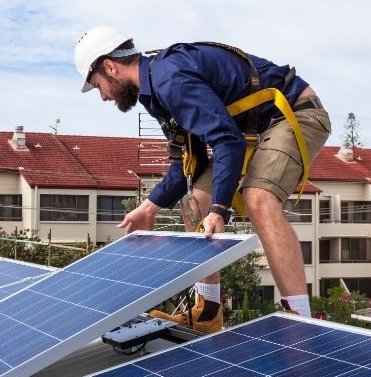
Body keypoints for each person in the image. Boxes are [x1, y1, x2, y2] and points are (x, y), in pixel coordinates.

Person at [75, 25, 331, 331]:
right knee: (194, 203)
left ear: (110, 66)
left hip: (295, 113)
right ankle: (208, 314)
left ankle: (299, 322)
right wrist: (149, 208)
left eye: (98, 85)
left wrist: (219, 209)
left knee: (258, 199)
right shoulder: (155, 90)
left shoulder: (170, 79)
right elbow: (188, 163)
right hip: (250, 131)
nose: (102, 96)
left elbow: (227, 141)